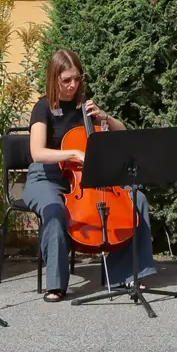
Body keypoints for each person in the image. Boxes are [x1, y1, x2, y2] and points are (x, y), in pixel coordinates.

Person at [24, 50, 156, 302]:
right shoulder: (42, 108)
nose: (73, 85)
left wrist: (105, 117)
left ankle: (127, 274)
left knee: (136, 200)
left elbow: (123, 134)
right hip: (46, 176)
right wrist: (73, 152)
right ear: (53, 79)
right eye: (66, 80)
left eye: (77, 78)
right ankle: (56, 284)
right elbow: (37, 152)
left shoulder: (84, 106)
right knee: (54, 210)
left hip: (84, 177)